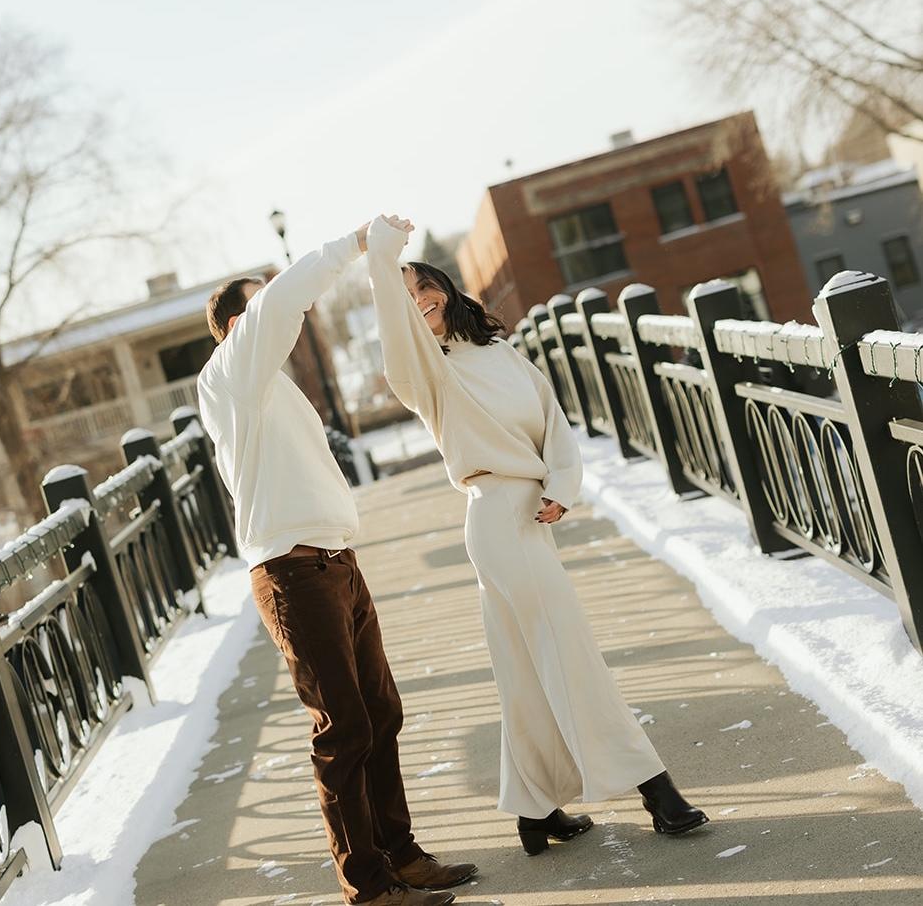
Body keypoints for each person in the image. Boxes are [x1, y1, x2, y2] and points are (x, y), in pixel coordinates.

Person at [366, 214, 709, 856]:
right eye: (406, 294)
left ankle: (534, 809)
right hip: (496, 518)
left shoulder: (497, 352)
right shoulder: (426, 376)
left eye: (426, 286)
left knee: (524, 670)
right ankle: (656, 790)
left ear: (446, 286)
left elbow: (554, 422)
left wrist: (560, 488)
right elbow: (396, 336)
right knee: (570, 653)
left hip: (531, 514)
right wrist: (383, 259)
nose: (421, 300)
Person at [197, 222, 477, 906]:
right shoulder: (231, 377)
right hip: (292, 575)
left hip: (334, 564)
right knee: (343, 727)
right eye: (264, 306)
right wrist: (350, 246)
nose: (287, 317)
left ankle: (399, 853)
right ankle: (368, 885)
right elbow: (284, 301)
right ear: (239, 323)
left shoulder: (270, 388)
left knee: (380, 712)